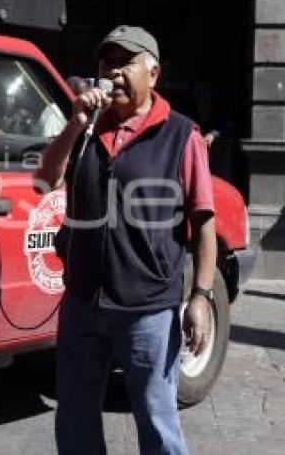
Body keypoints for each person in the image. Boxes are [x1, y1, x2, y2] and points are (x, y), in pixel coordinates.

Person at [35, 25, 216, 455]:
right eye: (106, 62)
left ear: (152, 73)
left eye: (125, 62)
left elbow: (203, 223)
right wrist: (76, 123)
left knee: (157, 420)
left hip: (148, 312)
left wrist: (201, 297)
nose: (113, 72)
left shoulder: (182, 135)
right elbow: (44, 182)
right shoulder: (86, 126)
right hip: (82, 304)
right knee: (75, 419)